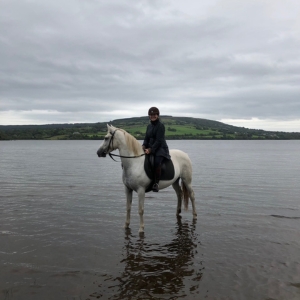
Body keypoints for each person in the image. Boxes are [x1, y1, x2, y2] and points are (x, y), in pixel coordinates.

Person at [142, 107, 171, 192]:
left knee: (157, 162)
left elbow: (159, 140)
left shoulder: (160, 126)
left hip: (161, 148)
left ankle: (156, 183)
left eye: (154, 114)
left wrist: (150, 150)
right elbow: (146, 138)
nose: (153, 116)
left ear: (157, 115)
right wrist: (143, 146)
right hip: (150, 147)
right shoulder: (149, 126)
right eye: (151, 115)